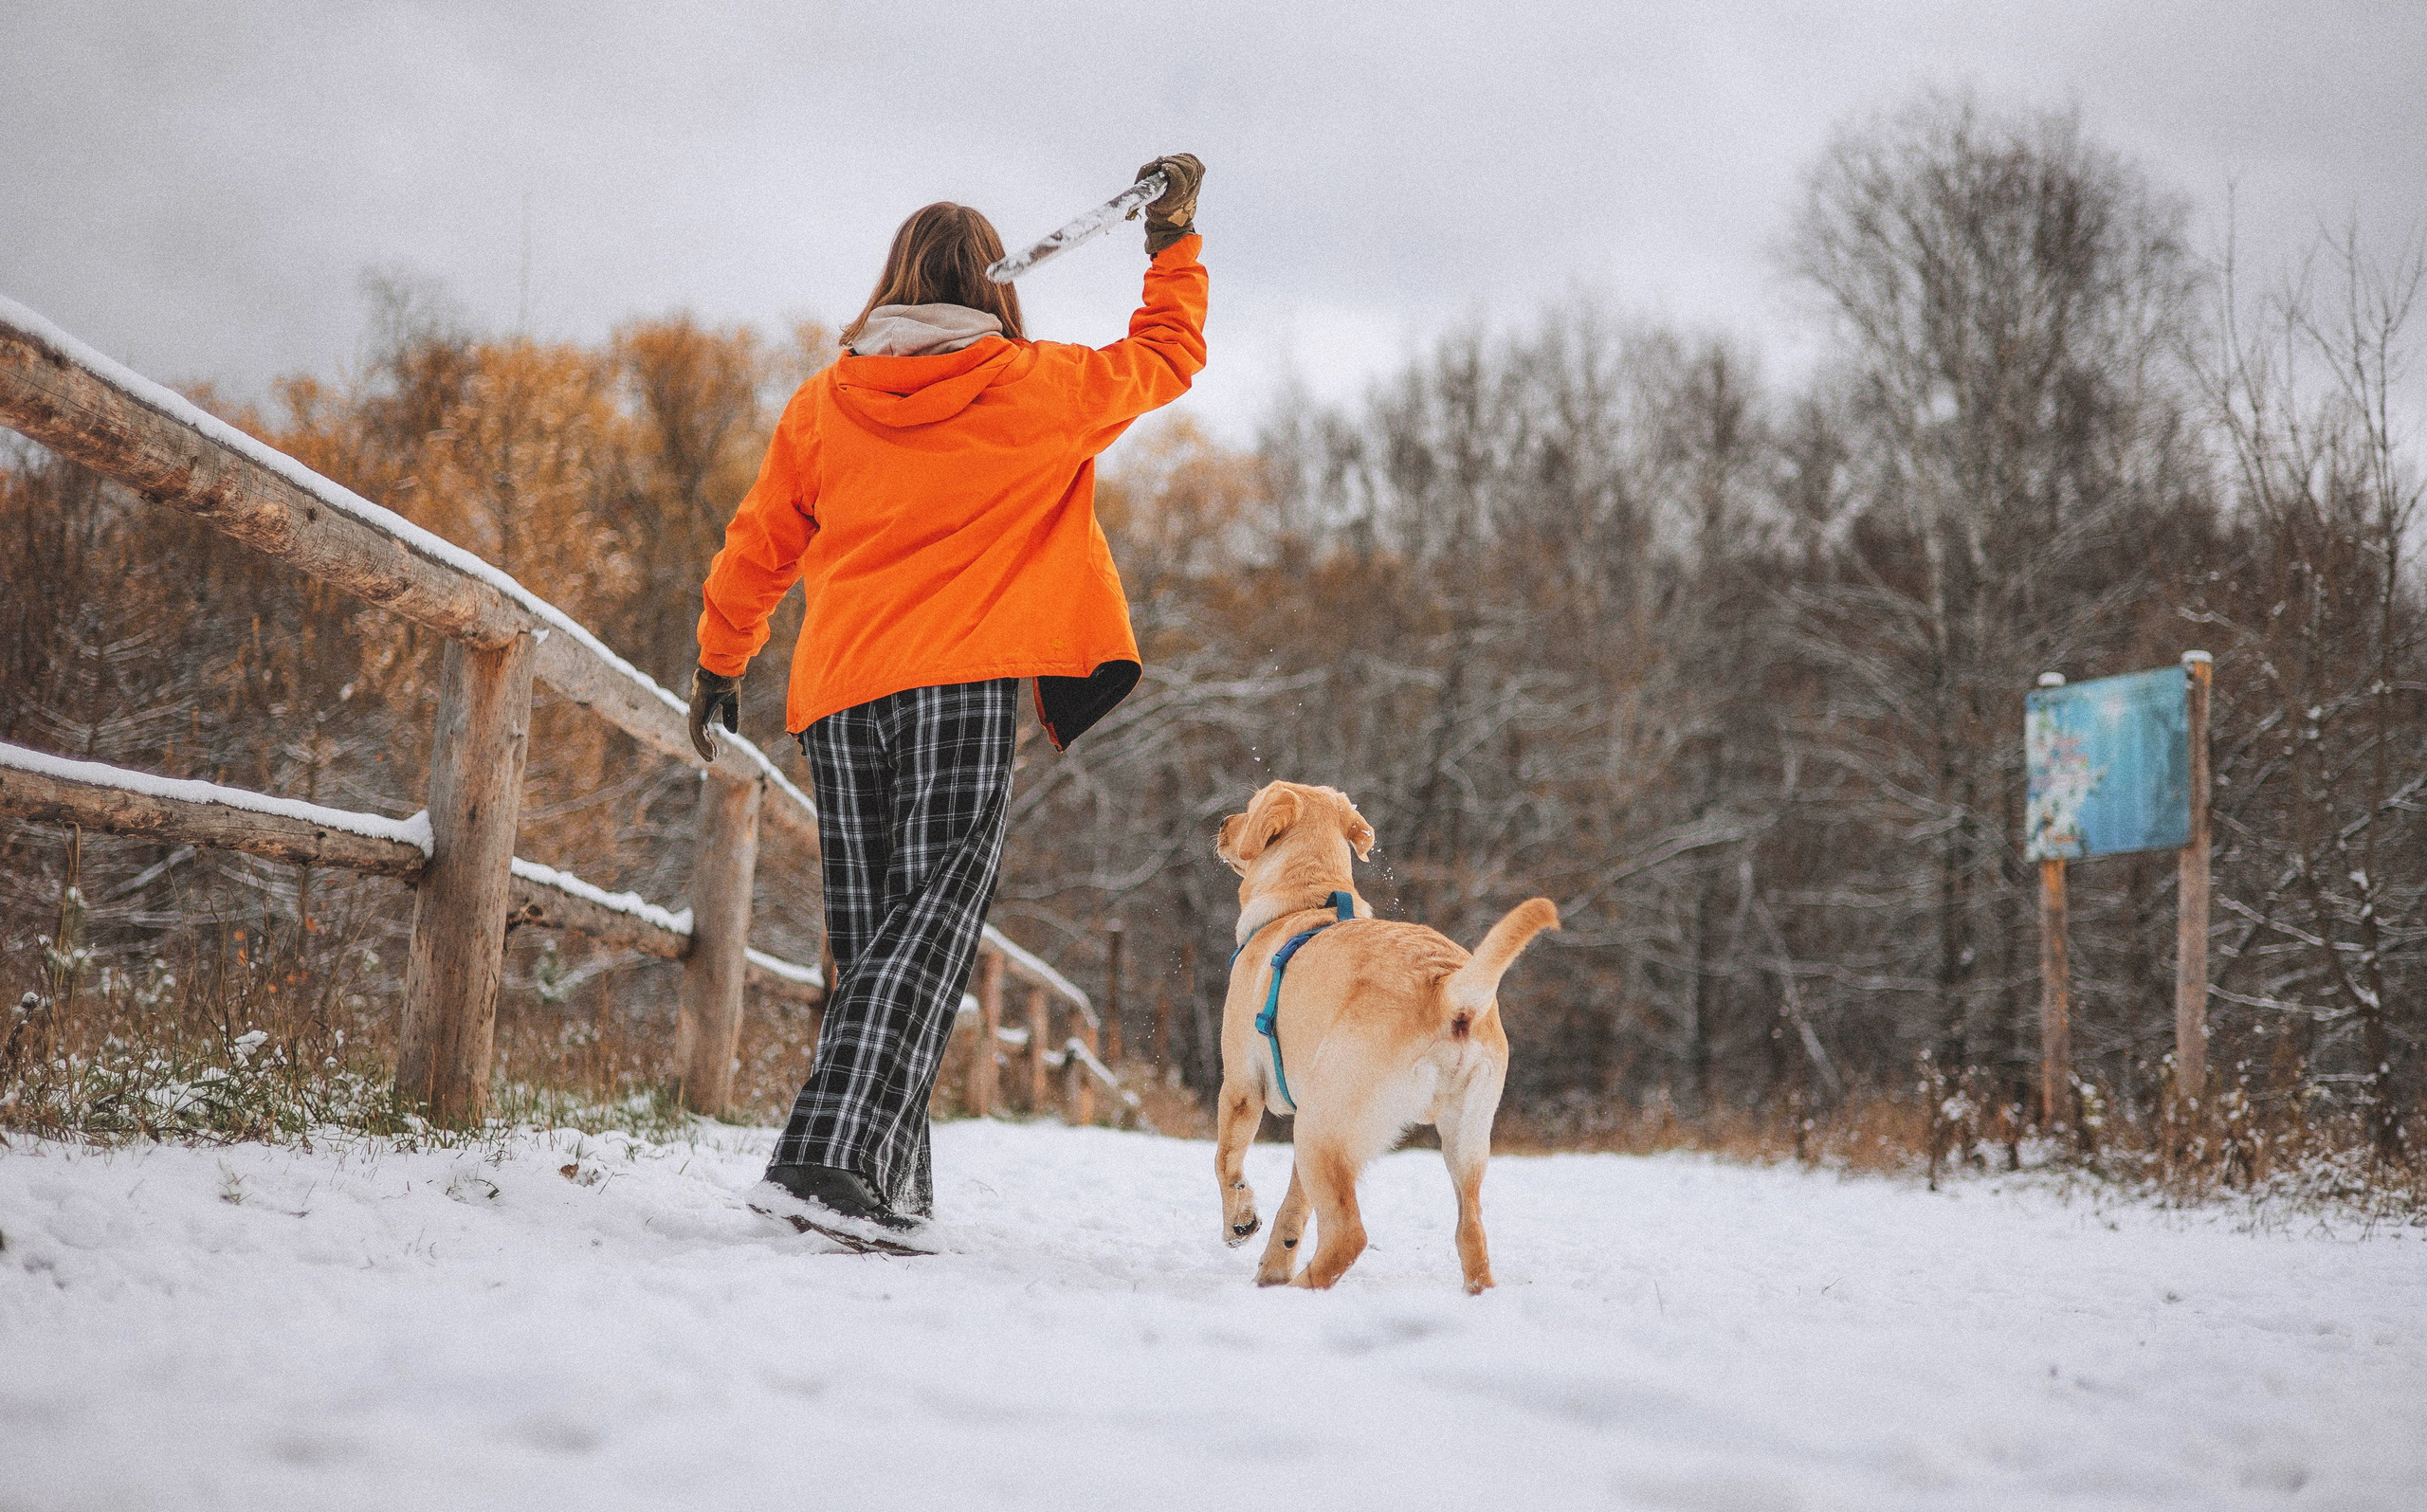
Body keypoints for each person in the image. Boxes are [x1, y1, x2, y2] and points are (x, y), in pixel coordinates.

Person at [687, 156, 1207, 1230]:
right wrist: (1172, 241)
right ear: (994, 285)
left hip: (835, 696)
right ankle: (820, 1158)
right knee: (924, 934)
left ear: (895, 281)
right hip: (957, 686)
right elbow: (1166, 355)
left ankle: (883, 1183)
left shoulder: (826, 401)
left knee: (878, 938)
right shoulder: (1031, 385)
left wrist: (720, 659)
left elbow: (759, 543)